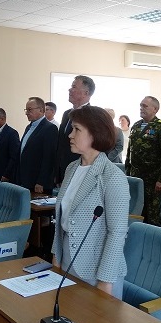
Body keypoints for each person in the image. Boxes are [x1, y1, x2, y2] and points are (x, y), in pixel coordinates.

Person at [51, 105, 129, 299]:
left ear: (95, 133)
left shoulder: (112, 177)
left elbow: (117, 233)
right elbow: (63, 220)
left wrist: (105, 281)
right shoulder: (71, 168)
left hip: (98, 270)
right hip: (67, 259)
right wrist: (56, 256)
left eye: (76, 129)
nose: (70, 135)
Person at [125, 96, 161, 226]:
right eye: (141, 105)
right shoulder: (136, 126)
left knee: (152, 215)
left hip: (153, 180)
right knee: (135, 213)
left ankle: (153, 237)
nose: (141, 108)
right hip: (136, 178)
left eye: (145, 106)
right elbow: (130, 152)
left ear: (155, 109)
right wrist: (127, 173)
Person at [56, 75, 95, 183]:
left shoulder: (92, 116)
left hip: (80, 173)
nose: (69, 90)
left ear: (86, 93)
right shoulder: (66, 114)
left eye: (74, 87)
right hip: (63, 172)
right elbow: (61, 144)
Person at [18, 97, 58, 194]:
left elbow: (49, 158)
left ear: (40, 110)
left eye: (29, 110)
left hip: (38, 183)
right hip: (25, 178)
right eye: (26, 110)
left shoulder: (50, 128)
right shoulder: (29, 127)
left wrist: (41, 181)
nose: (27, 113)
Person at [0, 108, 20, 182]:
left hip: (3, 175)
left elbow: (14, 157)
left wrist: (7, 174)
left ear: (2, 119)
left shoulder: (12, 134)